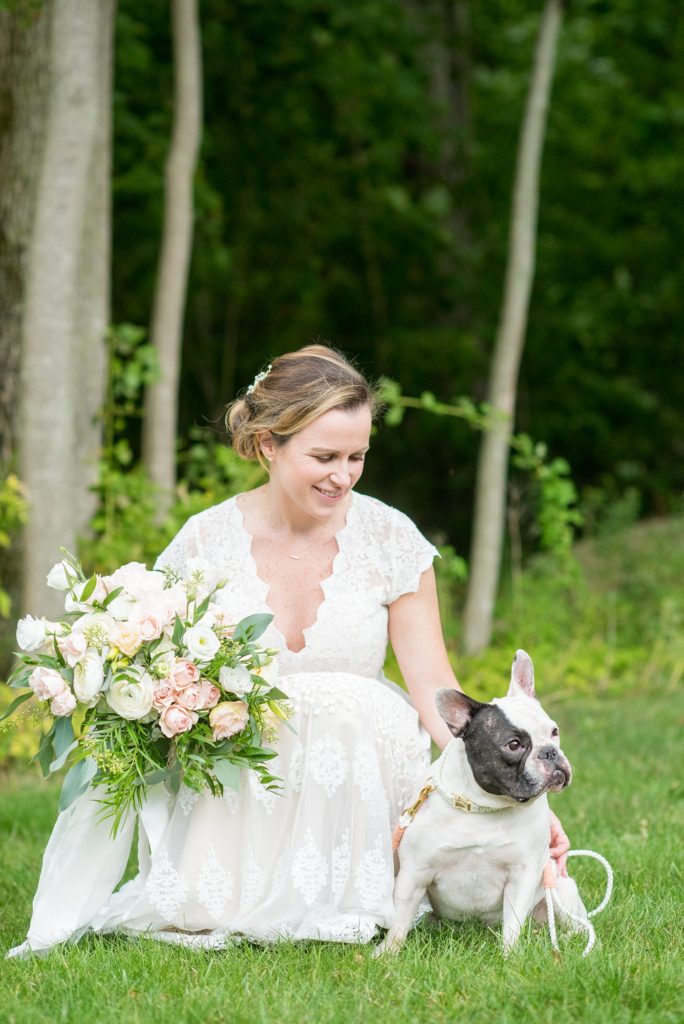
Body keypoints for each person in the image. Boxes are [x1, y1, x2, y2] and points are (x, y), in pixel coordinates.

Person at [9, 344, 568, 955]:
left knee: (352, 707)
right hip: (245, 772)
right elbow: (164, 664)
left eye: (358, 456)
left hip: (360, 769)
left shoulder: (390, 538)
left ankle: (363, 883)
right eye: (324, 456)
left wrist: (511, 791)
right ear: (268, 445)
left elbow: (433, 684)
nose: (344, 474)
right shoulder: (203, 543)